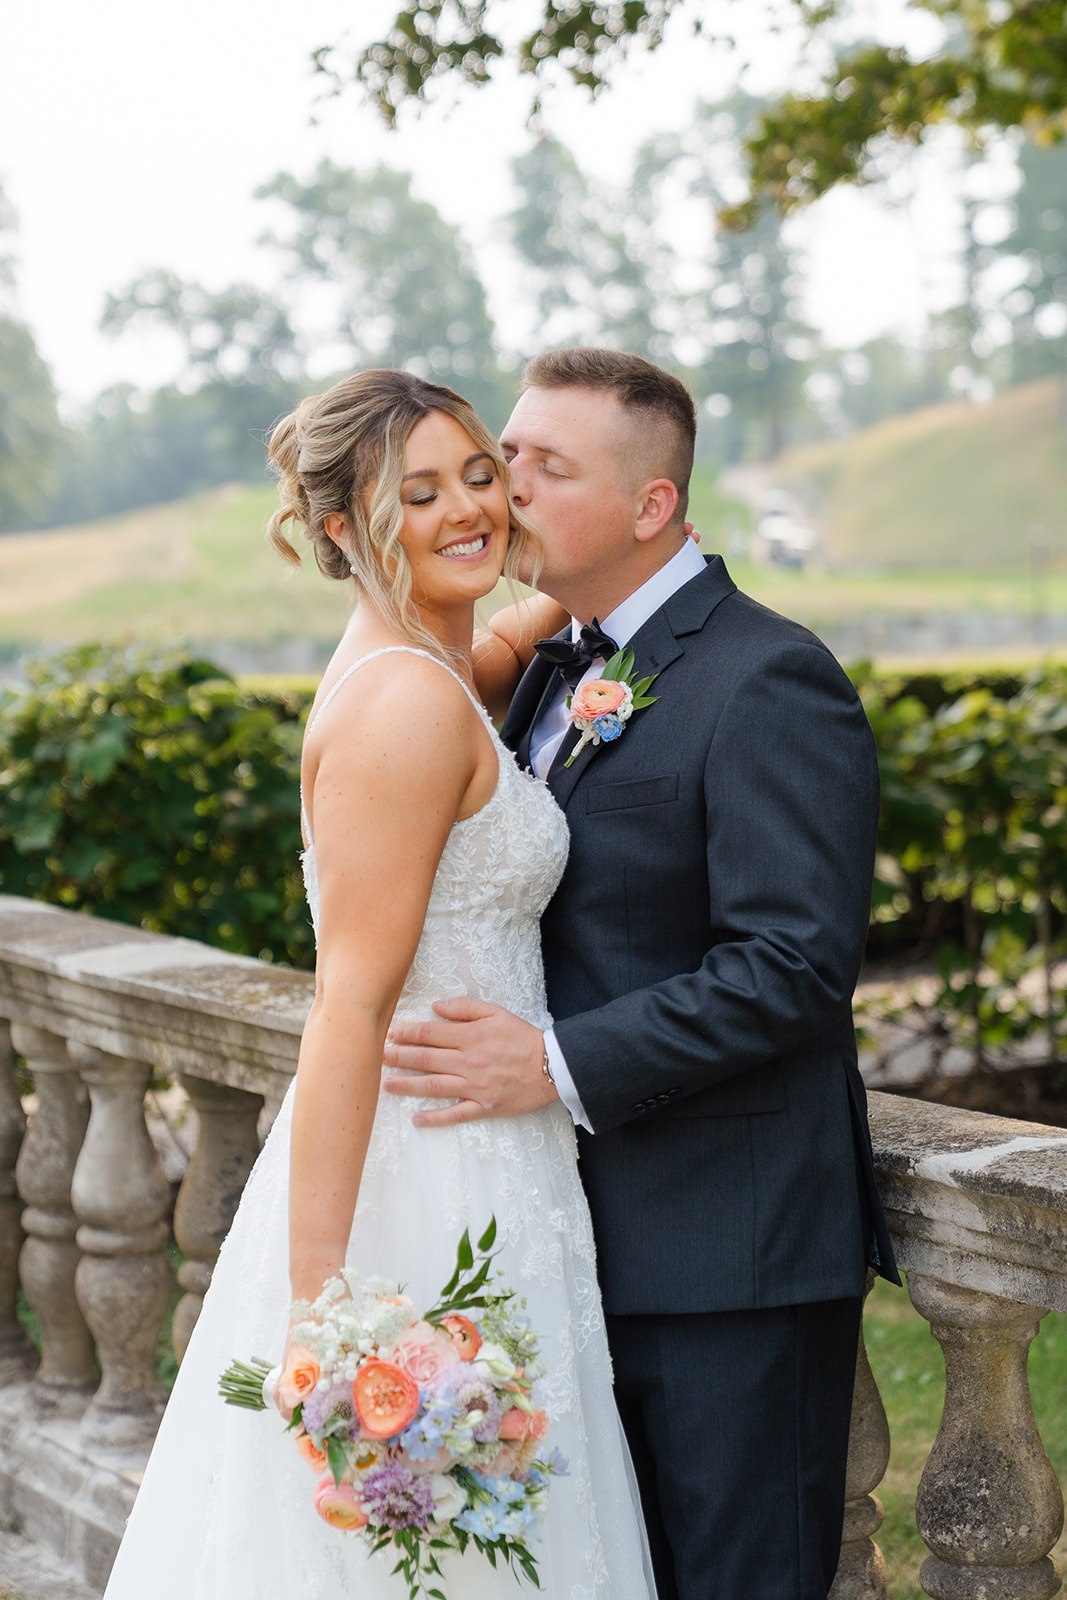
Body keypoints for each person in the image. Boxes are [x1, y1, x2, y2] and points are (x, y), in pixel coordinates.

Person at [103, 369, 656, 1600]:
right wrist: (328, 1313)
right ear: (345, 528)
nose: (468, 508)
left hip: (487, 1148)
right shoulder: (406, 703)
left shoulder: (429, 661)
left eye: (477, 474)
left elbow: (504, 642)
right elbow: (346, 1005)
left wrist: (608, 608)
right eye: (418, 493)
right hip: (431, 1172)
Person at [383, 347, 901, 1600]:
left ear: (650, 505)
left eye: (542, 468)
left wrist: (551, 1062)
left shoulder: (765, 675)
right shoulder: (546, 667)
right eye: (504, 458)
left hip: (730, 1257)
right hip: (564, 1241)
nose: (503, 491)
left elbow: (790, 964)